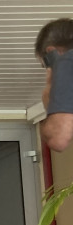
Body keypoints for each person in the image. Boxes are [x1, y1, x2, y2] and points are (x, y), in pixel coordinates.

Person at [35, 18, 73, 152]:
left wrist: (49, 100)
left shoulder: (67, 60)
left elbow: (58, 138)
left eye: (45, 64)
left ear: (51, 53)